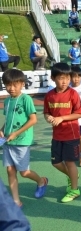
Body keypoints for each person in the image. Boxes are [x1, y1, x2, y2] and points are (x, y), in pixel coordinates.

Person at [0, 69, 48, 207]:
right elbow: (8, 120)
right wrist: (2, 130)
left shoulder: (26, 99)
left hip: (22, 141)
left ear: (22, 84)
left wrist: (16, 133)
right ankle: (16, 201)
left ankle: (41, 181)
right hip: (8, 141)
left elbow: (33, 120)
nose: (11, 88)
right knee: (10, 170)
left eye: (15, 85)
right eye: (8, 85)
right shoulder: (8, 101)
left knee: (24, 172)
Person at [43, 63, 81, 203]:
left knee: (70, 163)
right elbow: (46, 112)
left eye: (67, 78)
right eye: (61, 78)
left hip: (71, 135)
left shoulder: (73, 94)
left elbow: (79, 113)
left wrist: (61, 118)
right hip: (57, 135)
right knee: (56, 163)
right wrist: (48, 117)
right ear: (53, 78)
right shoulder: (49, 95)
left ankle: (74, 190)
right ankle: (72, 177)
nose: (65, 81)